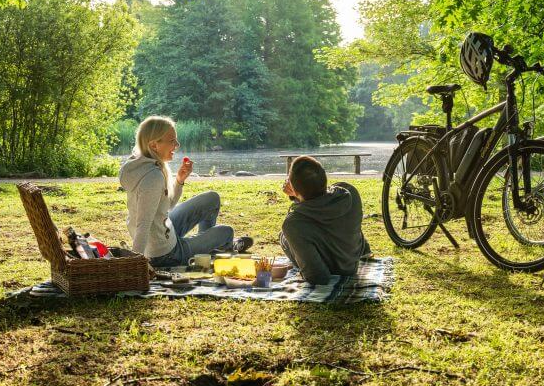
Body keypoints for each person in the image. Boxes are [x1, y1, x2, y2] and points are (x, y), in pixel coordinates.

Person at [119, 116, 252, 267]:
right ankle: (217, 250)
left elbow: (167, 205)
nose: (177, 145)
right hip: (165, 254)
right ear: (154, 145)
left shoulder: (141, 163)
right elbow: (142, 225)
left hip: (164, 231)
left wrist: (179, 181)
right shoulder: (152, 177)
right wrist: (135, 264)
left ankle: (206, 252)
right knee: (227, 232)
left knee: (211, 199)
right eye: (172, 141)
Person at [280, 155, 371, 285]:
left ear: (294, 188)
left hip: (331, 270)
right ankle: (365, 249)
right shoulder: (350, 193)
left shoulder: (293, 223)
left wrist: (297, 195)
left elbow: (318, 277)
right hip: (351, 263)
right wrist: (297, 195)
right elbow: (319, 203)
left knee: (284, 237)